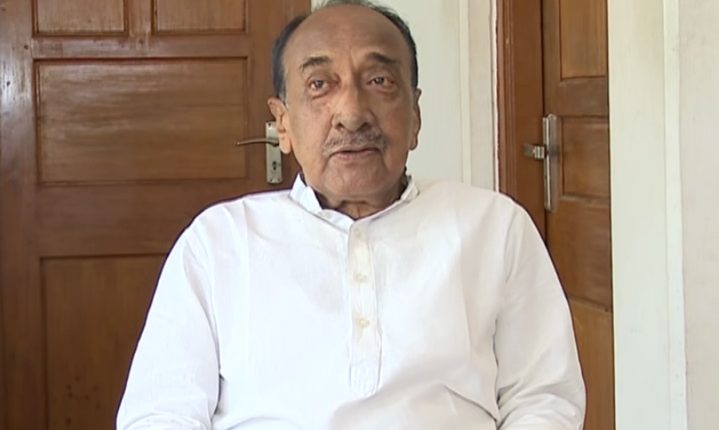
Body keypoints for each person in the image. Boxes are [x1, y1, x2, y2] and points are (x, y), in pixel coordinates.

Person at [116, 1, 585, 429]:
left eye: (379, 81)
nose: (352, 113)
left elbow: (543, 398)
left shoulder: (494, 227)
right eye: (319, 85)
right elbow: (159, 414)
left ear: (416, 116)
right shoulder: (219, 242)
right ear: (283, 123)